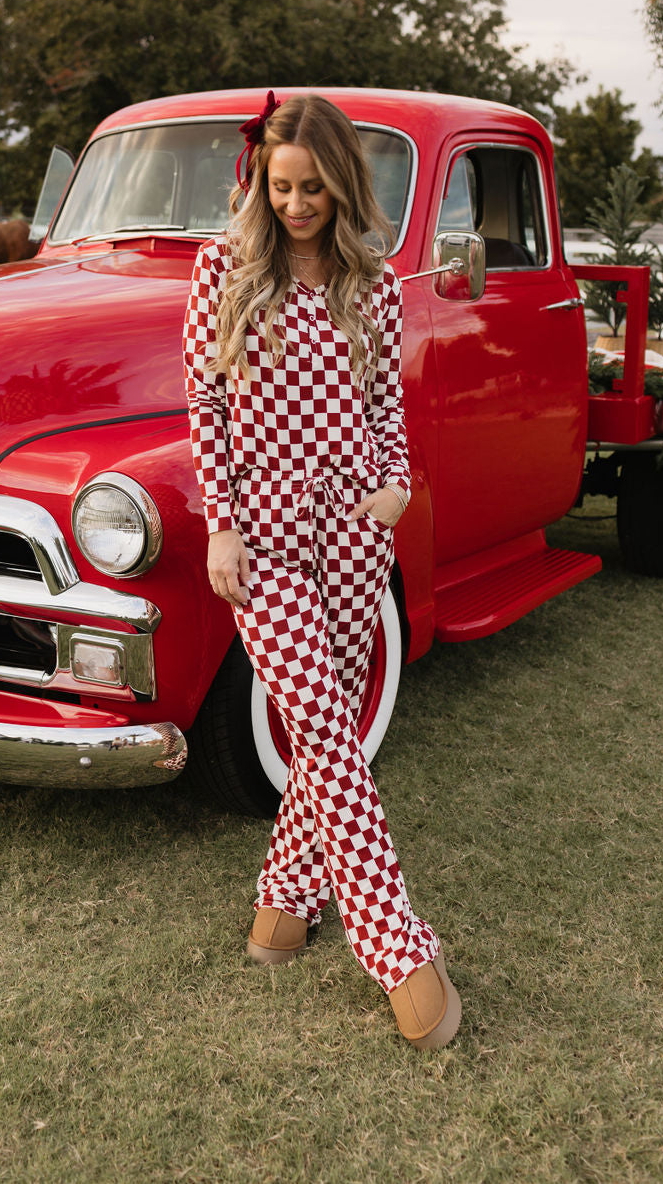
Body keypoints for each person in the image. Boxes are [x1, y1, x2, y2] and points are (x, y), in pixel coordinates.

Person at [182, 91, 461, 1050]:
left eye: (313, 188)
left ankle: (280, 912)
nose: (296, 204)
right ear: (259, 180)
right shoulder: (222, 268)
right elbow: (204, 409)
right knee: (330, 736)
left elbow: (388, 406)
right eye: (280, 185)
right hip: (260, 526)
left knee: (325, 726)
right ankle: (399, 951)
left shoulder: (373, 285)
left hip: (353, 524)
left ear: (342, 185)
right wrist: (222, 528)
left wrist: (390, 489)